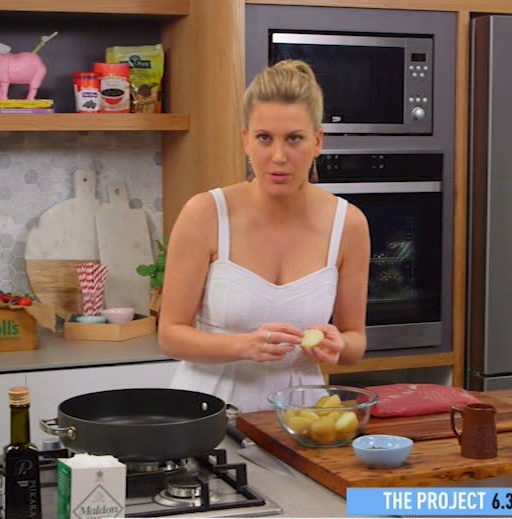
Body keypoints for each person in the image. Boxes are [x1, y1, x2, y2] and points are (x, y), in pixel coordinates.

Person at [158, 59, 371, 413]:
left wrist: (339, 346)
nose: (278, 156)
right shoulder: (205, 214)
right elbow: (170, 335)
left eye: (294, 139)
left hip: (302, 418)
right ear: (245, 140)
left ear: (317, 142)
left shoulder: (349, 224)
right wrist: (243, 346)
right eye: (264, 138)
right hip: (208, 413)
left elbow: (355, 343)